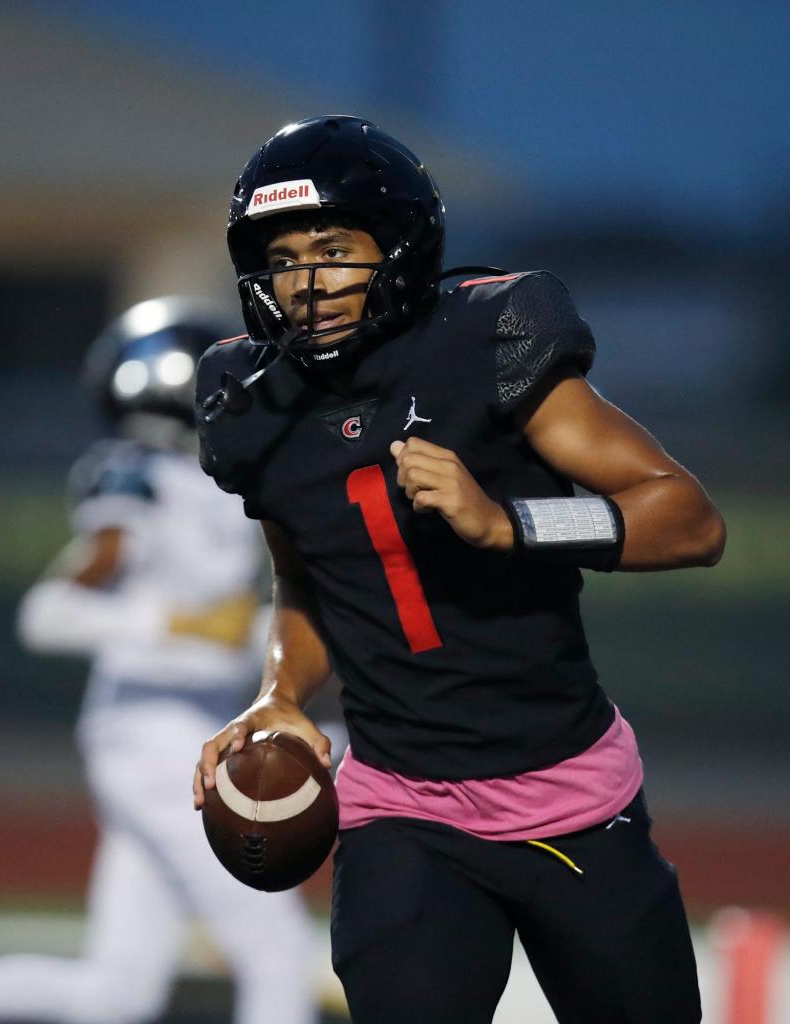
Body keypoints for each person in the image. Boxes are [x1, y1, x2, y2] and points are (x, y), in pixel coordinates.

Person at [191, 115, 726, 1024]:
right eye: (283, 258)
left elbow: (688, 517)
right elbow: (306, 581)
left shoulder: (488, 336)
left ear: (396, 248)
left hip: (569, 795)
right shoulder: (251, 403)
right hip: (403, 809)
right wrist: (280, 693)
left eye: (333, 248)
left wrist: (509, 521)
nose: (308, 282)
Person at [0, 298, 319, 1024]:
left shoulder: (227, 486)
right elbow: (52, 611)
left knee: (117, 991)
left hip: (194, 731)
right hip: (154, 740)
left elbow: (237, 631)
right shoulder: (141, 479)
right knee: (278, 955)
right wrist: (180, 622)